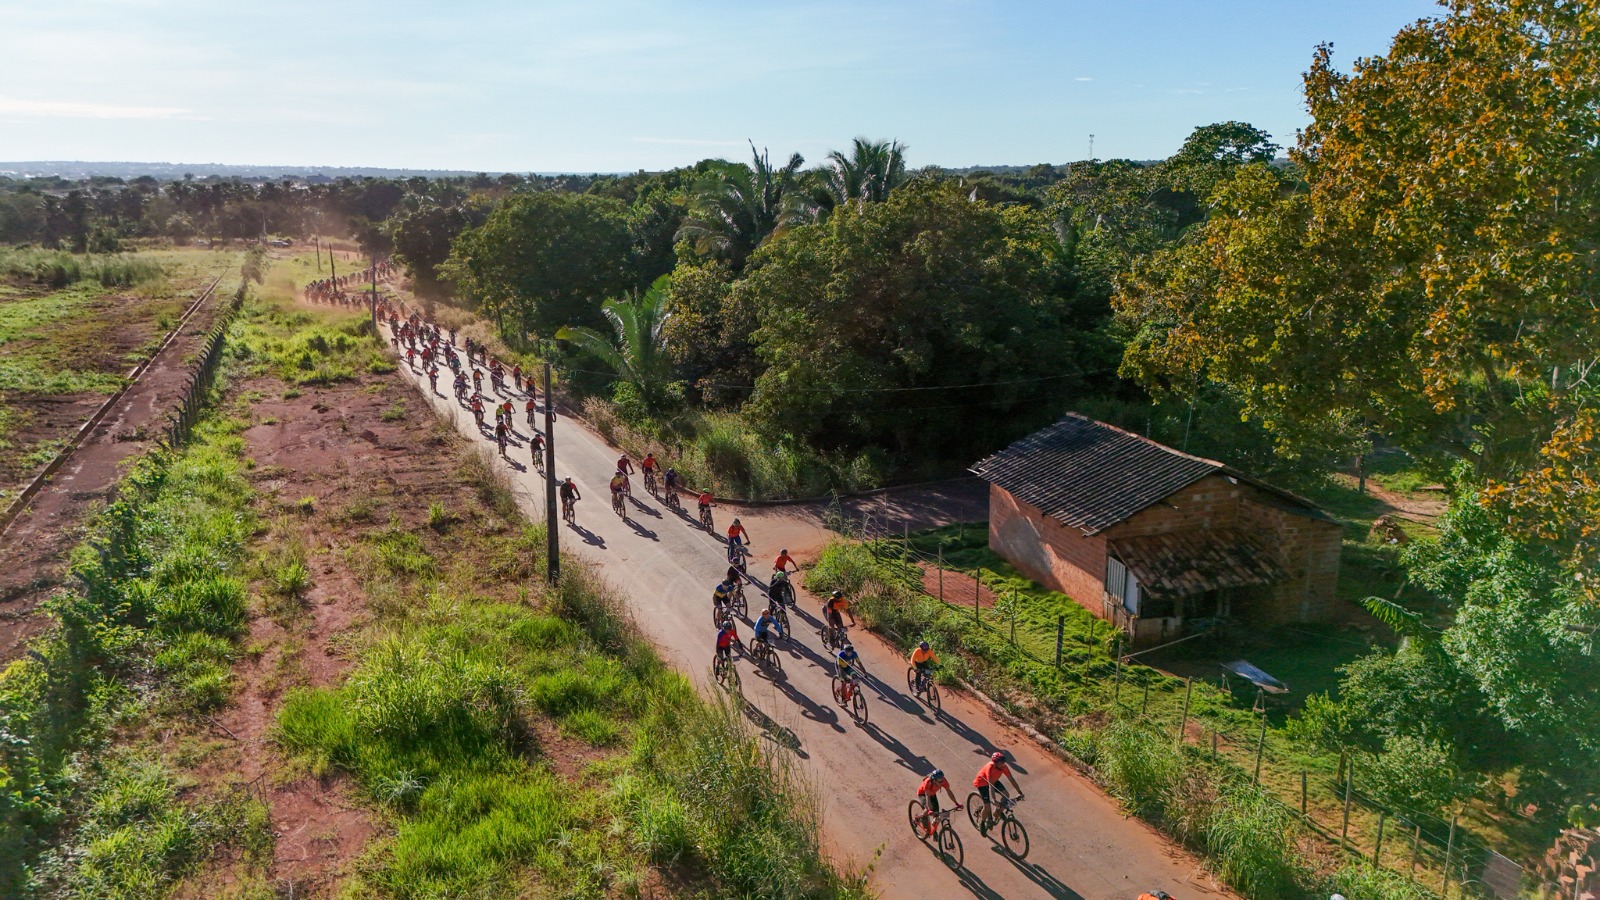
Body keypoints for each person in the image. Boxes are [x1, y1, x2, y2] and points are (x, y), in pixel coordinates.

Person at [973, 751, 1025, 837]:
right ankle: (982, 823)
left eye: (1003, 762)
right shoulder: (990, 768)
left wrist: (1020, 792)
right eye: (1000, 763)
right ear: (995, 763)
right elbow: (991, 786)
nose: (1003, 765)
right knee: (987, 806)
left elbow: (1011, 779)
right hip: (982, 783)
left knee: (1006, 795)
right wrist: (993, 799)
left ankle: (998, 811)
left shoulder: (1004, 767)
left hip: (994, 781)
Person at [913, 768, 960, 837]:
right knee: (928, 809)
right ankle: (919, 818)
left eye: (942, 779)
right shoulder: (928, 782)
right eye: (939, 781)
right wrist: (929, 809)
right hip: (923, 794)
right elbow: (927, 796)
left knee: (936, 814)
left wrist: (957, 803)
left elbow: (949, 792)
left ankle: (934, 831)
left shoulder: (943, 780)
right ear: (934, 780)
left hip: (932, 794)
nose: (941, 782)